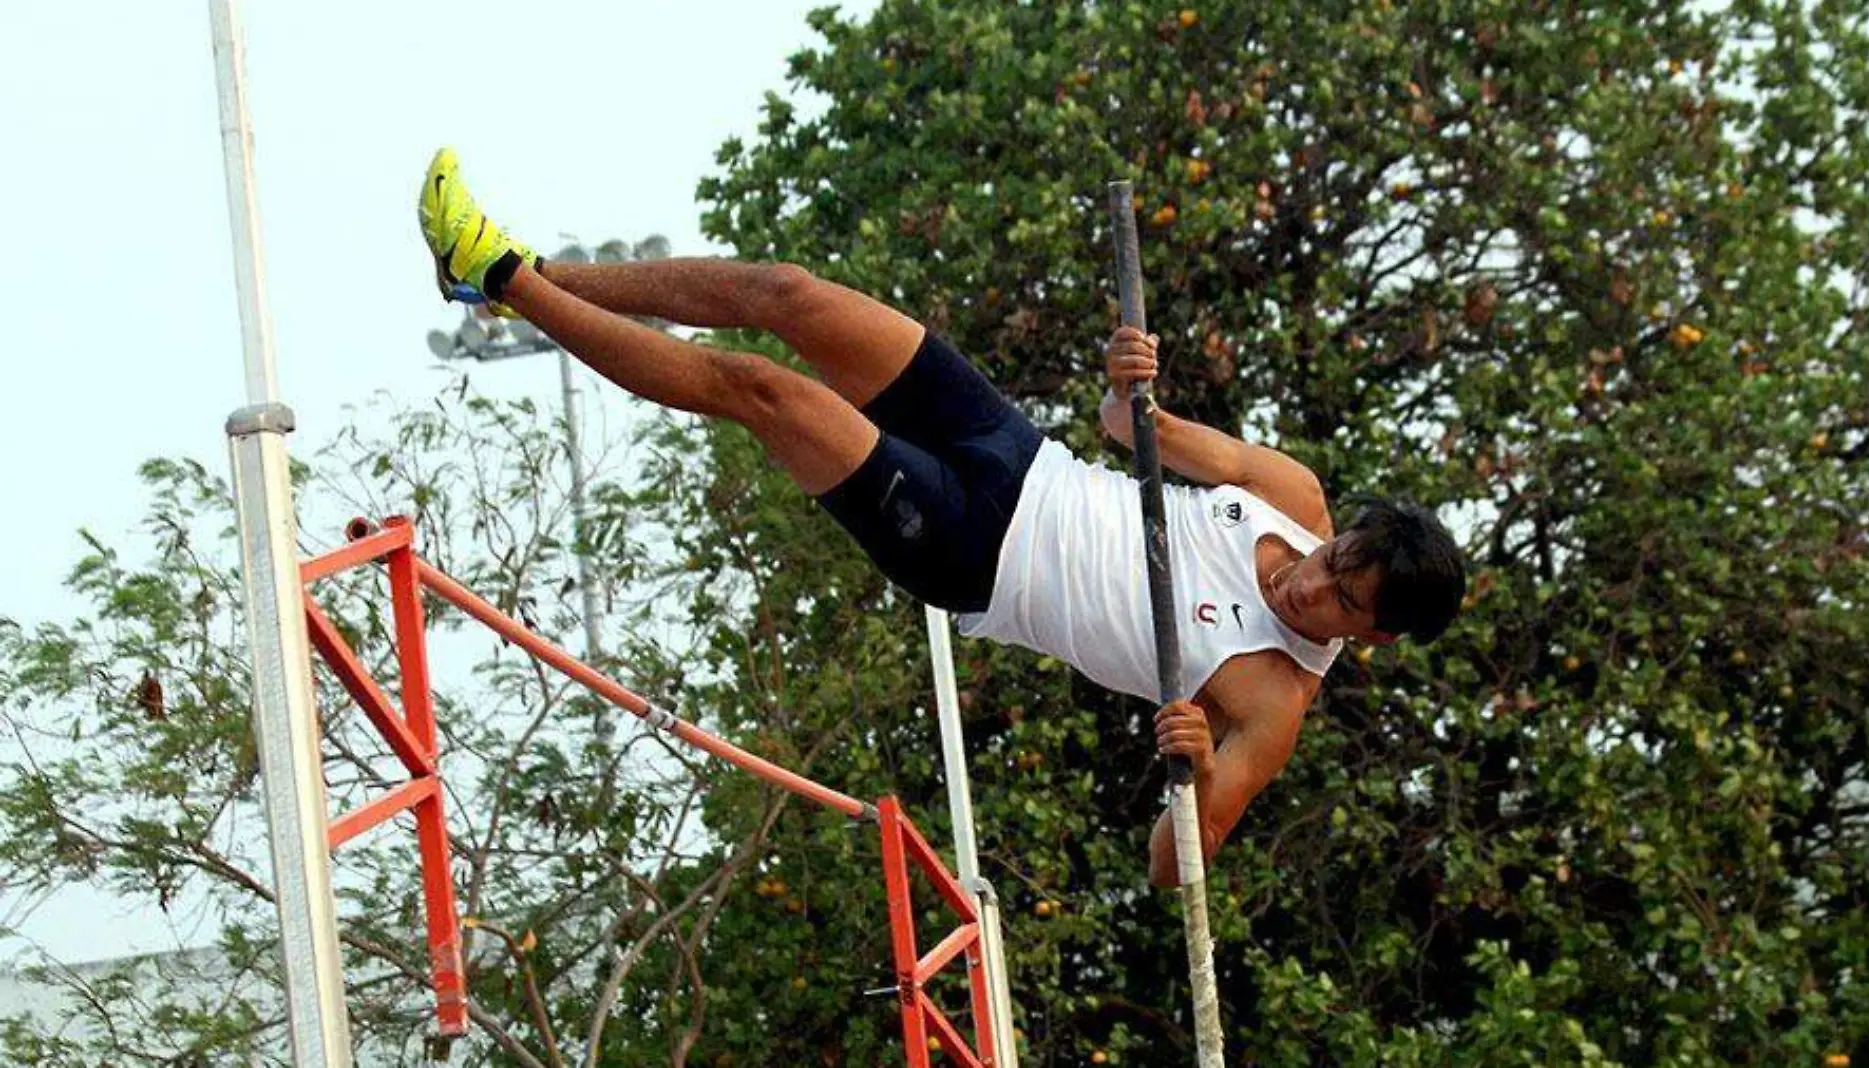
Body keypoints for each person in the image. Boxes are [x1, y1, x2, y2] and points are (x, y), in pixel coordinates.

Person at [417, 148, 1466, 887]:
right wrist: (1127, 381)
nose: (1309, 584)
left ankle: (497, 272)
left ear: (1369, 640)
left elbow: (1172, 875)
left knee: (760, 391)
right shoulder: (1290, 494)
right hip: (1017, 455)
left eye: (1338, 603)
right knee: (787, 293)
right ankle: (517, 278)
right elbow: (1123, 425)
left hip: (974, 554)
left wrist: (1188, 773)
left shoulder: (1268, 705)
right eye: (1334, 559)